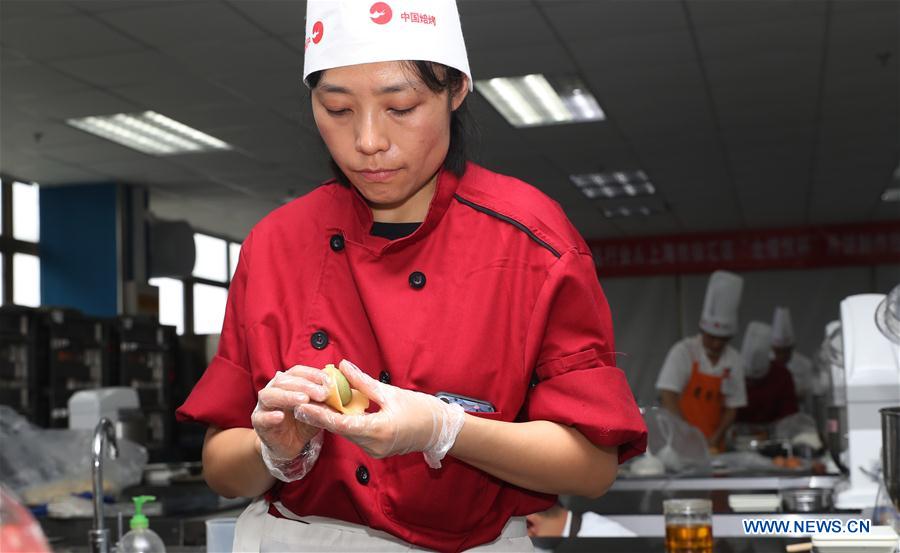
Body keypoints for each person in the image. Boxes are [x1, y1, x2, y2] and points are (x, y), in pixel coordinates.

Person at [175, 1, 647, 551]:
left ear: (456, 89)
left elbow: (591, 468)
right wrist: (275, 450)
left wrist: (443, 429)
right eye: (337, 108)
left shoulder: (531, 241)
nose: (369, 140)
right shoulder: (276, 244)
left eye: (400, 106)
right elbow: (220, 469)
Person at [656, 271, 747, 450]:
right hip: (680, 442)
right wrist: (688, 435)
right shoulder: (684, 352)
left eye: (722, 339)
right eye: (711, 337)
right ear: (702, 330)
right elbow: (668, 397)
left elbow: (732, 407)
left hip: (714, 444)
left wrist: (715, 438)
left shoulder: (733, 359)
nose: (715, 343)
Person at [735, 321, 798, 425]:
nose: (752, 384)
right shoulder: (731, 371)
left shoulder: (782, 376)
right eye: (748, 381)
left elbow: (790, 414)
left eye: (756, 381)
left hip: (773, 435)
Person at [771, 306, 815, 413]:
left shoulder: (805, 365)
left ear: (792, 348)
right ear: (772, 348)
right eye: (778, 351)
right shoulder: (765, 364)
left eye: (785, 351)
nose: (781, 356)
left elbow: (810, 394)